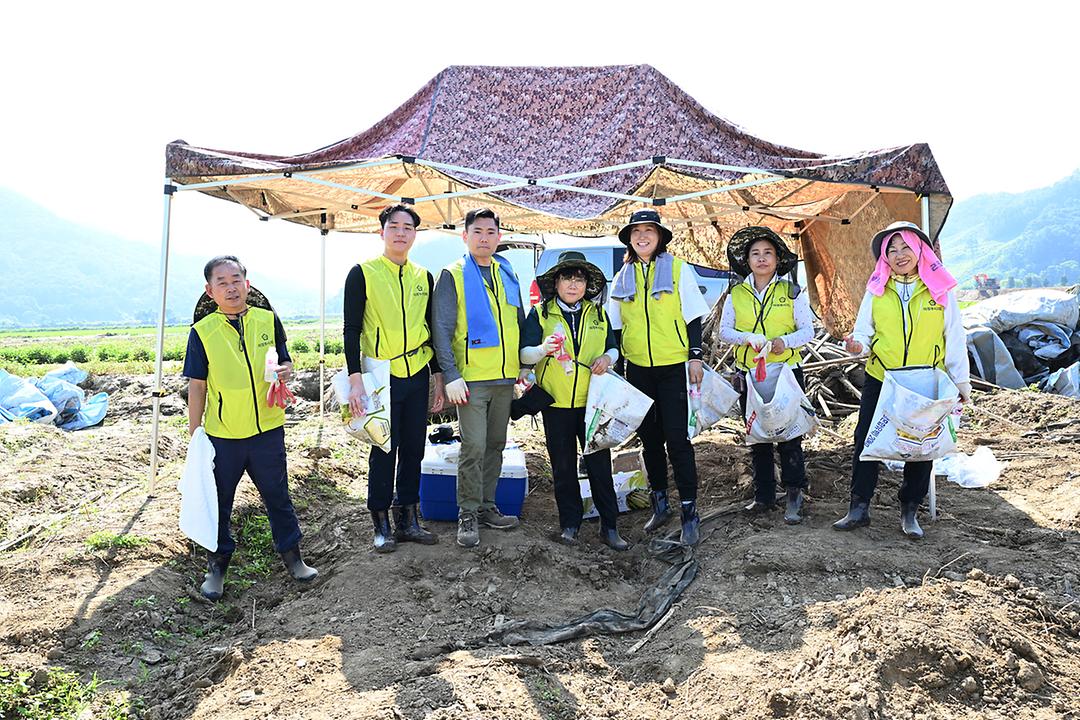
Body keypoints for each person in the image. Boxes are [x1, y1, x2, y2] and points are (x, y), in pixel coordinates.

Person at [184, 255, 317, 600]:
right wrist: (195, 433)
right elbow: (197, 386)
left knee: (278, 496)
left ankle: (294, 558)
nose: (231, 288)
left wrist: (286, 370)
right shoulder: (202, 332)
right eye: (222, 283)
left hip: (267, 430)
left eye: (236, 280)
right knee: (220, 503)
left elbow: (285, 359)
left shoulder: (267, 319)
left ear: (247, 282)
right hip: (223, 435)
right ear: (210, 290)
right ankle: (217, 567)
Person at [833, 221, 971, 539]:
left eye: (905, 247)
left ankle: (910, 510)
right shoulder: (877, 290)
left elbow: (954, 338)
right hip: (882, 377)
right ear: (885, 257)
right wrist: (856, 346)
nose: (899, 254)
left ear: (920, 250)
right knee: (866, 440)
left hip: (925, 379)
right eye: (892, 250)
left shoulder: (939, 290)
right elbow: (864, 334)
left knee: (922, 444)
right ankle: (858, 507)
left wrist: (960, 382)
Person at [343, 204, 446, 553]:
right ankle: (381, 523)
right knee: (384, 448)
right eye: (394, 226)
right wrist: (355, 376)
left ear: (415, 234)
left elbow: (431, 329)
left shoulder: (423, 276)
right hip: (380, 375)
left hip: (417, 372)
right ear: (382, 232)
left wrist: (438, 376)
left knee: (415, 448)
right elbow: (351, 329)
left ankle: (409, 519)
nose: (401, 233)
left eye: (408, 227)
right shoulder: (363, 273)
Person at [606, 209, 710, 545]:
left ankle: (689, 511)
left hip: (673, 366)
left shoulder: (678, 269)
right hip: (638, 369)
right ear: (629, 239)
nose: (642, 236)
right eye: (636, 232)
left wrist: (695, 356)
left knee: (677, 440)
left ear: (660, 236)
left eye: (649, 230)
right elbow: (615, 327)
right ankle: (660, 503)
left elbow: (693, 317)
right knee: (649, 439)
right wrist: (618, 371)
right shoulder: (622, 277)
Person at [432, 208, 527, 548]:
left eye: (490, 232)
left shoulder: (507, 271)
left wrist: (524, 364)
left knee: (496, 445)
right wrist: (451, 374)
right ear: (465, 236)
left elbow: (519, 319)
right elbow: (441, 329)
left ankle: (488, 506)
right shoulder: (453, 274)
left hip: (505, 378)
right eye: (477, 232)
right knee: (473, 446)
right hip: (471, 380)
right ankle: (468, 512)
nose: (484, 238)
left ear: (499, 237)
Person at [520, 256, 629, 550]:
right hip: (556, 404)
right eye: (567, 278)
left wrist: (607, 358)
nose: (573, 284)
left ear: (586, 285)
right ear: (556, 283)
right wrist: (542, 349)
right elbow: (524, 354)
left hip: (593, 404)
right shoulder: (541, 314)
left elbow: (613, 348)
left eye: (579, 279)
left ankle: (610, 526)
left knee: (600, 465)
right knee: (563, 467)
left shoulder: (598, 313)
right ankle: (570, 524)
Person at [719, 226, 813, 524]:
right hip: (750, 373)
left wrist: (785, 342)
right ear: (746, 260)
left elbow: (807, 331)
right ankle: (764, 496)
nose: (761, 259)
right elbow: (724, 331)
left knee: (789, 435)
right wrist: (746, 338)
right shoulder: (736, 293)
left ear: (777, 259)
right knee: (757, 435)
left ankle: (794, 494)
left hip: (785, 372)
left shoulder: (791, 291)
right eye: (755, 254)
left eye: (768, 253)